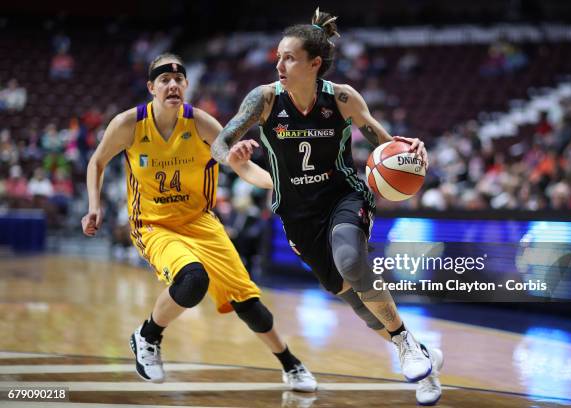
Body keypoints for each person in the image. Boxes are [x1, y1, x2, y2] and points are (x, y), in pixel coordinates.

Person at [211, 9, 443, 406]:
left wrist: (411, 152)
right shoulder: (265, 99)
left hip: (343, 197)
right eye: (278, 57)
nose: (279, 64)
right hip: (297, 215)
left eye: (289, 57)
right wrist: (231, 152)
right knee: (357, 302)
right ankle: (422, 354)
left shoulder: (343, 98)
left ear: (314, 64)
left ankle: (404, 344)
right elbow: (218, 143)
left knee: (352, 262)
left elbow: (386, 149)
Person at [81, 53, 317, 392]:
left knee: (250, 305)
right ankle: (147, 337)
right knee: (193, 279)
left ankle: (290, 365)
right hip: (153, 224)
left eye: (178, 80)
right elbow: (97, 162)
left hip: (201, 223)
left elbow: (240, 165)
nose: (172, 85)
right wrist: (94, 206)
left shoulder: (202, 123)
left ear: (186, 85)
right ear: (152, 87)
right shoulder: (129, 124)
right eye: (164, 80)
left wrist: (281, 183)